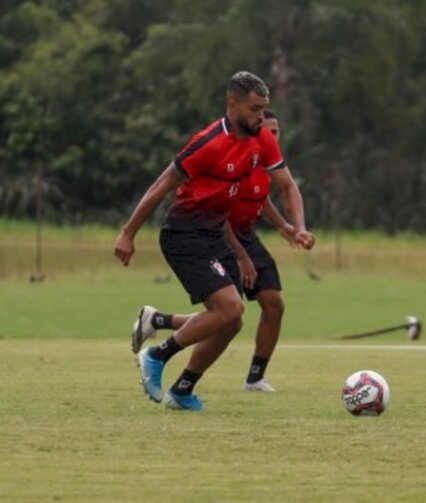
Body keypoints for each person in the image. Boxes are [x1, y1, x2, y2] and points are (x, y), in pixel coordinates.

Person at [115, 71, 314, 411]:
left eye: (264, 109)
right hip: (184, 234)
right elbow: (161, 186)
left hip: (217, 233)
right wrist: (128, 233)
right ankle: (157, 356)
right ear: (232, 103)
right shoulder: (208, 143)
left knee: (230, 319)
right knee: (230, 308)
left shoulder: (261, 139)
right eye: (254, 109)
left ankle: (182, 390)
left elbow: (287, 186)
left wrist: (298, 226)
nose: (260, 116)